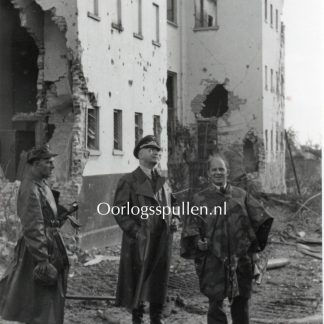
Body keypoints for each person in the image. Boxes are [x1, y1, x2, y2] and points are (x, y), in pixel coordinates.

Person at [180, 154, 273, 324]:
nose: (218, 172)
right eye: (214, 169)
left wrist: (254, 251)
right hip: (213, 259)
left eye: (221, 169)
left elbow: (257, 221)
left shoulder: (241, 196)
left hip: (240, 259)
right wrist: (197, 242)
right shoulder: (199, 199)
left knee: (241, 302)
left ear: (227, 172)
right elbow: (192, 227)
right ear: (208, 173)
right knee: (215, 303)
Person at [0, 145, 78, 324]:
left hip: (46, 244)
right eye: (48, 162)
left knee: (42, 300)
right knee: (39, 299)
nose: (52, 166)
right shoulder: (31, 189)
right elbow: (33, 226)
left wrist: (65, 214)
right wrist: (42, 260)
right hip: (37, 250)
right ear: (35, 164)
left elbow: (47, 216)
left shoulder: (41, 184)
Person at [113, 135, 176, 324]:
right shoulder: (129, 180)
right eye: (151, 149)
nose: (156, 152)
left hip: (161, 239)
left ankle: (156, 319)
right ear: (140, 154)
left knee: (158, 282)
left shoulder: (163, 180)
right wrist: (136, 232)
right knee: (138, 282)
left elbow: (174, 204)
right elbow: (119, 211)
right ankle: (137, 320)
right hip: (140, 242)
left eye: (158, 150)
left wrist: (175, 219)